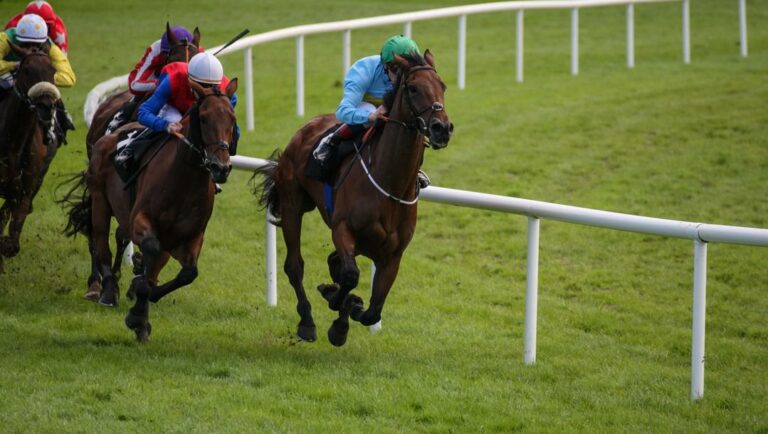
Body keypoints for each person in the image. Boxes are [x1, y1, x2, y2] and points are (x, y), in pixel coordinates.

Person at [312, 35, 429, 187]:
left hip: (390, 107)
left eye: (406, 69)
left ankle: (411, 169)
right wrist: (371, 116)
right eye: (396, 69)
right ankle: (332, 140)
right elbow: (343, 112)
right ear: (385, 65)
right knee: (371, 110)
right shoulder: (363, 71)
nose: (401, 75)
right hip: (365, 106)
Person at [114, 52, 238, 181]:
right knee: (175, 121)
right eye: (201, 86)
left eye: (211, 87)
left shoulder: (228, 93)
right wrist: (165, 125)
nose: (205, 91)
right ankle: (130, 150)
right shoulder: (172, 80)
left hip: (201, 112)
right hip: (174, 107)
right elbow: (143, 112)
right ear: (190, 80)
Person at [106, 26, 200, 134]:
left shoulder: (196, 51)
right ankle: (119, 119)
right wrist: (163, 83)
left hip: (182, 84)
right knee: (141, 98)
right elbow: (134, 85)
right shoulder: (156, 50)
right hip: (158, 80)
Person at [0, 13, 75, 142]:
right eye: (25, 44)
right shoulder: (5, 39)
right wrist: (14, 65)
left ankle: (61, 126)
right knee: (5, 83)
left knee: (51, 96)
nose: (30, 49)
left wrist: (41, 77)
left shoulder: (50, 46)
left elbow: (69, 77)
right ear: (17, 39)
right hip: (6, 74)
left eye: (36, 45)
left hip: (33, 80)